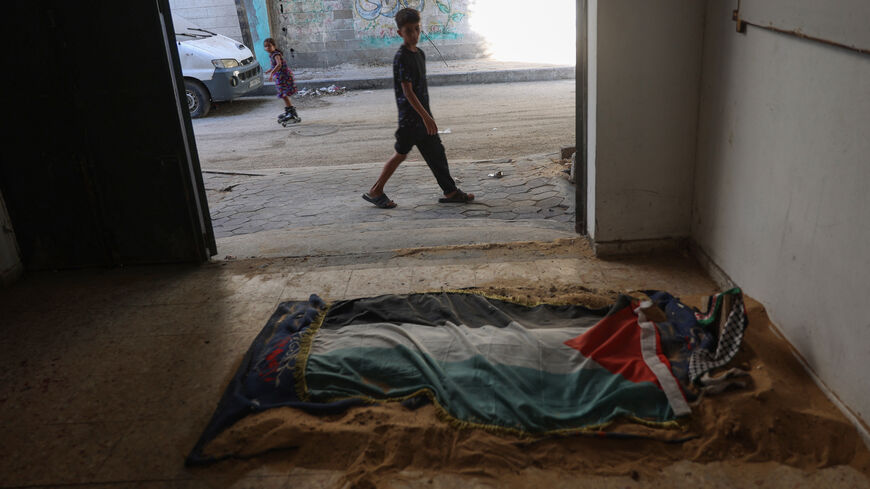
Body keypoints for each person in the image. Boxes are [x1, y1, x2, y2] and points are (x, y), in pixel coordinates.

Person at [362, 8, 474, 209]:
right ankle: (375, 190)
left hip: (422, 118)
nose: (414, 34)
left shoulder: (420, 54)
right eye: (408, 31)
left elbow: (421, 90)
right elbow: (408, 92)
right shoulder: (402, 57)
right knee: (401, 154)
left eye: (416, 29)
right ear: (400, 33)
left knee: (436, 153)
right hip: (411, 120)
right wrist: (426, 118)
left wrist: (427, 116)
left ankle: (450, 192)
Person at [263, 38, 300, 124]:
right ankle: (289, 111)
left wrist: (272, 73)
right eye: (265, 46)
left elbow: (279, 65)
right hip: (280, 77)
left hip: (284, 77)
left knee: (284, 94)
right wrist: (270, 70)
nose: (267, 48)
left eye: (269, 46)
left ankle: (291, 113)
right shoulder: (272, 54)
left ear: (274, 46)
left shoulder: (276, 54)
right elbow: (275, 65)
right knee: (283, 95)